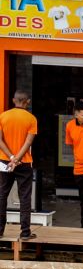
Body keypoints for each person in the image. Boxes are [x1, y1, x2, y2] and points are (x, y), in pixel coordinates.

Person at [0, 90, 38, 240]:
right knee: (25, 196)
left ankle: (0, 230)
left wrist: (10, 157)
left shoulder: (3, 116)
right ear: (27, 102)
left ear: (13, 100)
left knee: (2, 195)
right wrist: (16, 160)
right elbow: (28, 142)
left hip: (4, 160)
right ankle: (25, 232)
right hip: (24, 162)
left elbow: (0, 141)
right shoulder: (31, 119)